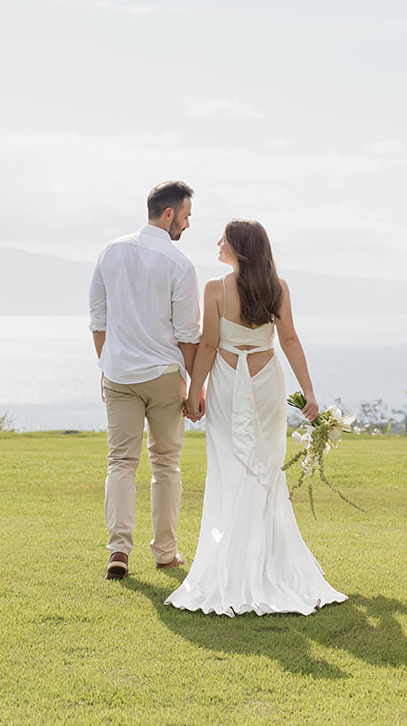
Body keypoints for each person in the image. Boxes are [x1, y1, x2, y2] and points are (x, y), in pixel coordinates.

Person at [166, 219, 347, 616]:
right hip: (266, 380)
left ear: (239, 249)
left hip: (229, 382)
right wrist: (309, 393)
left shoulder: (216, 288)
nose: (218, 243)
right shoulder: (277, 288)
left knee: (232, 468)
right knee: (264, 468)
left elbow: (210, 344)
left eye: (224, 239)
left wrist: (196, 391)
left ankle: (235, 564)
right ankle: (262, 561)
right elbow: (290, 341)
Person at [89, 180, 201, 580]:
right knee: (166, 464)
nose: (187, 226)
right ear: (168, 213)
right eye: (186, 217)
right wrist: (196, 388)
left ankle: (118, 550)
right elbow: (189, 335)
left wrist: (107, 367)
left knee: (120, 462)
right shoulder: (180, 265)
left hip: (119, 375)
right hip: (163, 376)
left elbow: (98, 321)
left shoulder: (110, 251)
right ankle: (165, 553)